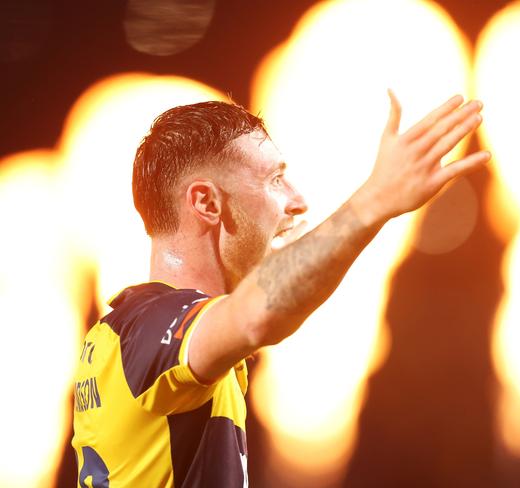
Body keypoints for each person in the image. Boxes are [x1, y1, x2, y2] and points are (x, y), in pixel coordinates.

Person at [71, 92, 489, 487]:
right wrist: (375, 201)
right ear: (207, 203)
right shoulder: (152, 326)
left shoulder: (126, 334)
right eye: (275, 180)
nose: (299, 201)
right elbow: (257, 316)